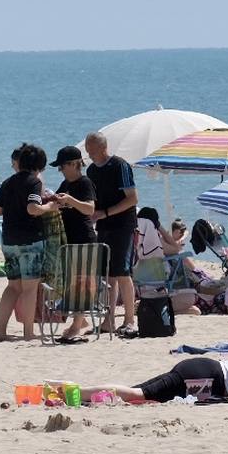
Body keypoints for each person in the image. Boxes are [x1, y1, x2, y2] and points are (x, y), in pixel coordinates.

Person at [73, 344, 228, 404]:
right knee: (137, 394)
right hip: (207, 379)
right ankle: (75, 392)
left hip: (205, 367)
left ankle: (82, 394)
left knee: (139, 394)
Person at [0, 144, 51, 341]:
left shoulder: (7, 183)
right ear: (38, 165)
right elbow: (33, 208)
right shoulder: (34, 182)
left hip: (9, 240)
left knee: (13, 287)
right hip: (31, 240)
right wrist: (49, 206)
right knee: (29, 288)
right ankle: (28, 333)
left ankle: (1, 331)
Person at [85, 132, 139, 338]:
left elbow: (132, 198)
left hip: (123, 225)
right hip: (103, 225)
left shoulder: (120, 165)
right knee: (108, 274)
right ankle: (109, 320)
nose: (89, 153)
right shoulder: (91, 170)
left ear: (102, 147)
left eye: (92, 149)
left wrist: (105, 213)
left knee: (123, 272)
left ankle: (129, 320)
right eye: (88, 149)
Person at [50, 146, 99, 344]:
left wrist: (69, 199)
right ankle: (81, 320)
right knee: (73, 282)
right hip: (68, 239)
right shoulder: (64, 183)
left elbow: (90, 209)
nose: (61, 170)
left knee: (83, 282)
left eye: (62, 166)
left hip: (84, 237)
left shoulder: (85, 182)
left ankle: (77, 325)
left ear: (73, 164)